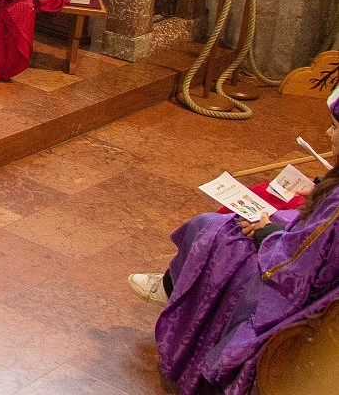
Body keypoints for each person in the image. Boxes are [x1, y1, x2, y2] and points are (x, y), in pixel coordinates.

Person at [130, 90, 339, 395]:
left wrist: (266, 233)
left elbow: (295, 269)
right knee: (224, 224)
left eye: (335, 127)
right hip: (305, 258)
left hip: (299, 297)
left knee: (217, 234)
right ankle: (174, 285)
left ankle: (176, 292)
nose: (328, 133)